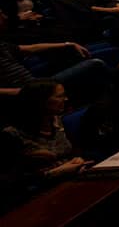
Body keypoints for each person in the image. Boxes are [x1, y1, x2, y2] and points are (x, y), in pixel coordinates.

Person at [0, 80, 91, 208]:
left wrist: (77, 160)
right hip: (38, 196)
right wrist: (53, 173)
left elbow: (74, 150)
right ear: (40, 101)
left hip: (71, 181)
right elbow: (11, 183)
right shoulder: (11, 135)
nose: (66, 99)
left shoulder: (58, 120)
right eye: (59, 96)